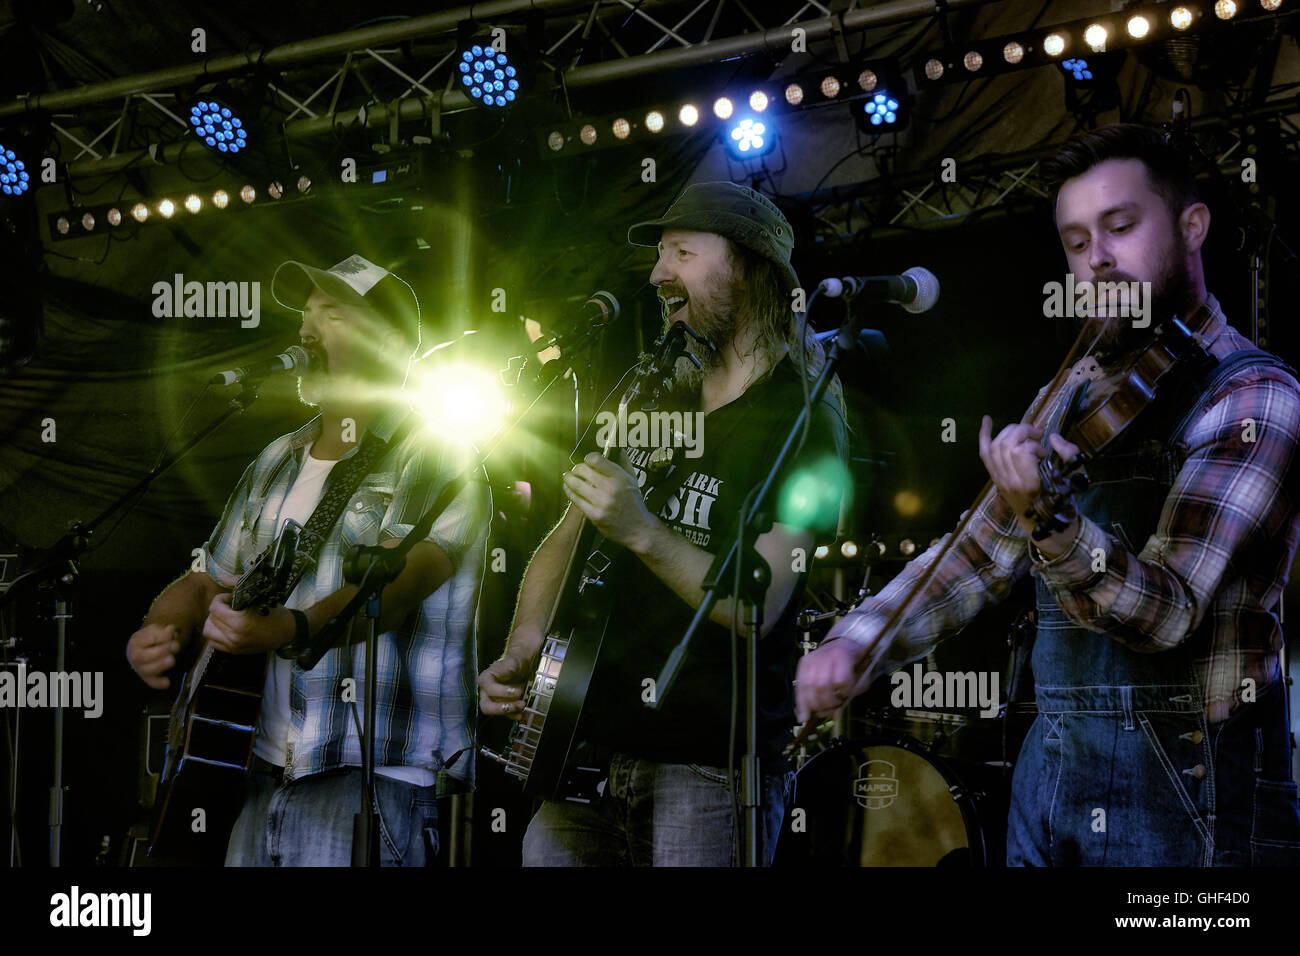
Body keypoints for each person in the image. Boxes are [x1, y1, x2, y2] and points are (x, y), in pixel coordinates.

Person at [795, 123, 1300, 866]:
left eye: (1121, 227)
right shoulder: (1075, 388)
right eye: (1074, 240)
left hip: (1194, 791)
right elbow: (973, 555)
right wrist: (857, 642)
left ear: (1192, 226)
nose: (1097, 257)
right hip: (1058, 768)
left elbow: (1169, 612)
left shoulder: (1255, 394)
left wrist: (1054, 524)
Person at [478, 181, 848, 866]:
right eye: (658, 256)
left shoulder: (806, 420)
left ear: (747, 269)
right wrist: (524, 641)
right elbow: (565, 536)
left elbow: (755, 605)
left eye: (681, 253)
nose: (656, 274)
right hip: (582, 746)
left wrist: (643, 529)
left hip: (706, 767)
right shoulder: (650, 390)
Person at [126, 254, 490, 866]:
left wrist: (287, 629)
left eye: (332, 312)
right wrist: (159, 629)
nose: (304, 330)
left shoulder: (436, 454)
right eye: (306, 312)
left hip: (376, 777)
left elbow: (394, 590)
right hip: (259, 769)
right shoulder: (277, 457)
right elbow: (208, 578)